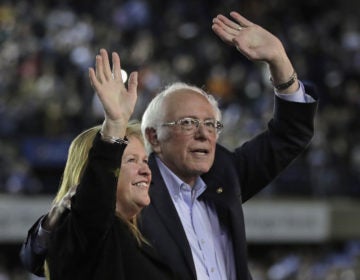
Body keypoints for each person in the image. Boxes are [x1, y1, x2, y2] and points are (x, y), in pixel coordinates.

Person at [20, 11, 318, 279]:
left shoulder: (224, 175)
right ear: (153, 138)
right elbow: (45, 253)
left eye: (211, 124)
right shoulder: (133, 193)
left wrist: (279, 60)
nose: (204, 134)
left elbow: (288, 134)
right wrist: (113, 125)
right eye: (188, 123)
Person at [24, 49, 179, 279]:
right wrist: (115, 126)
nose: (146, 170)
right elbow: (94, 203)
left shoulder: (145, 231)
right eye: (131, 160)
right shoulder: (91, 230)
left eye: (144, 160)